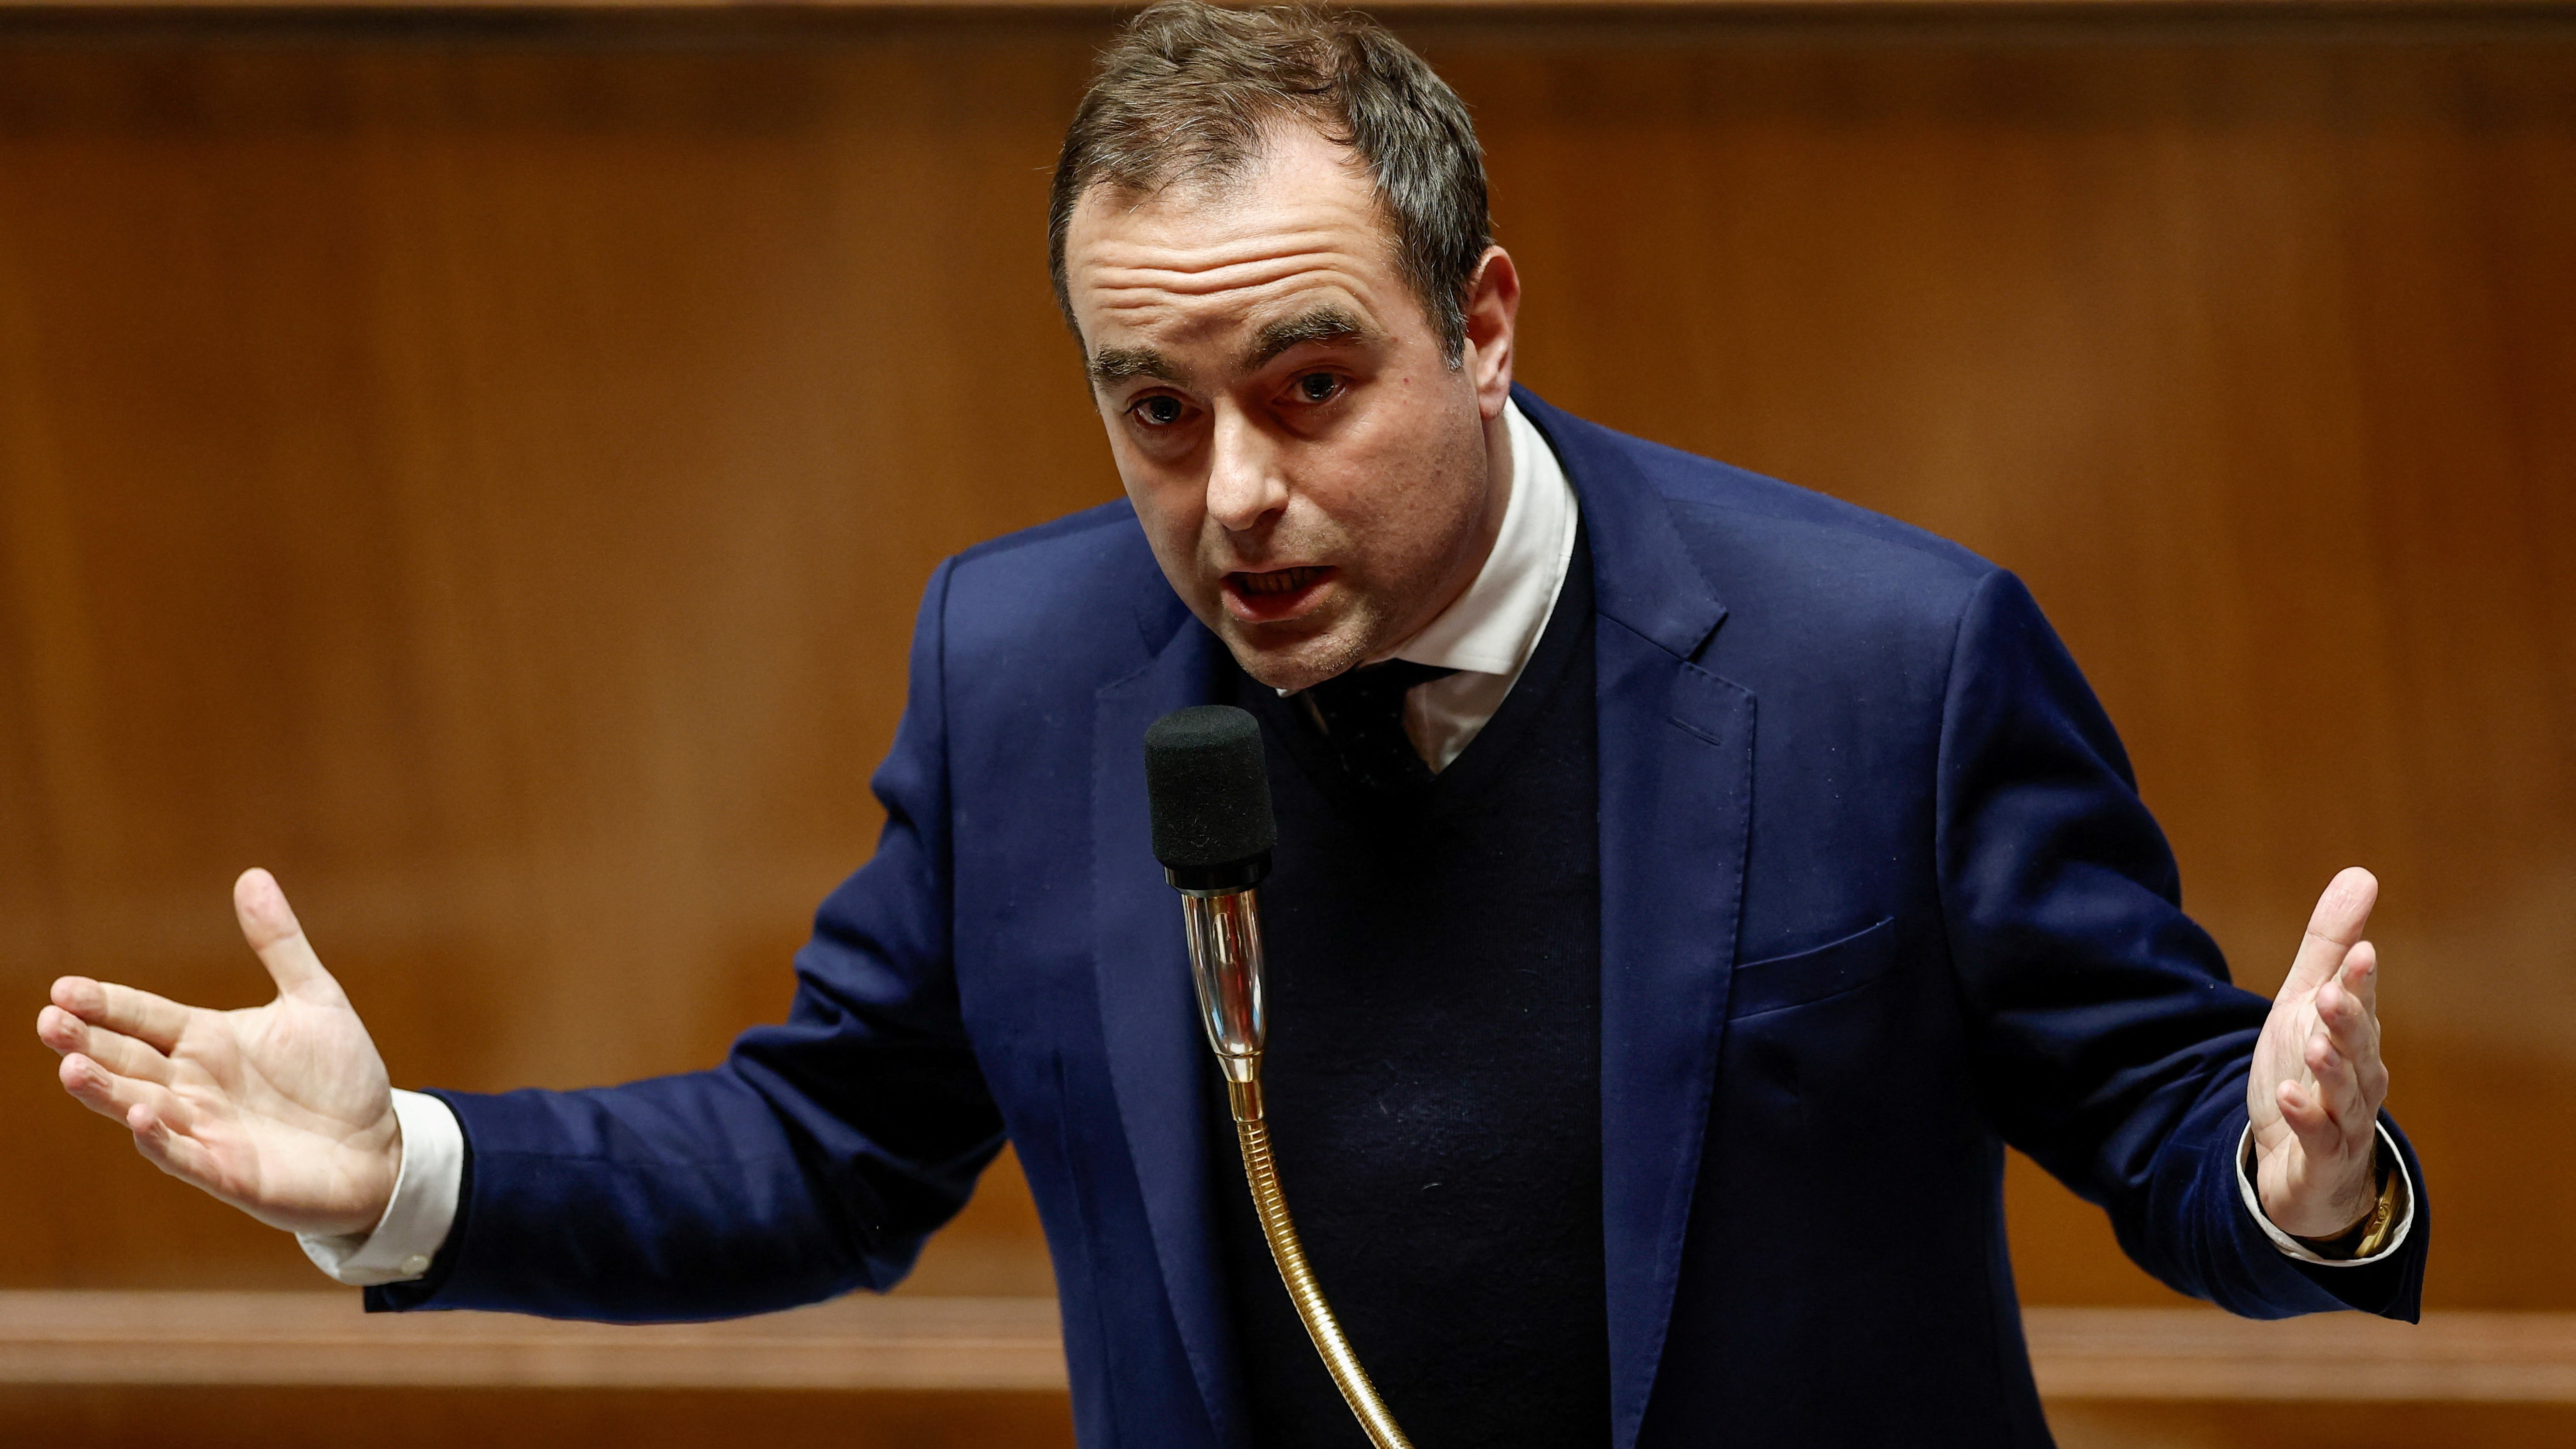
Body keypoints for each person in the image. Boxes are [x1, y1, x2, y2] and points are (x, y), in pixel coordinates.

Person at [35, 5, 2424, 1445]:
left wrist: (2288, 1180)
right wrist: (414, 1179)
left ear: (1481, 318)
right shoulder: (1024, 670)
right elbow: (830, 1149)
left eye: (1307, 383)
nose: (1237, 496)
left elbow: (2159, 1128)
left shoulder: (1878, 665)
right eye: (1153, 410)